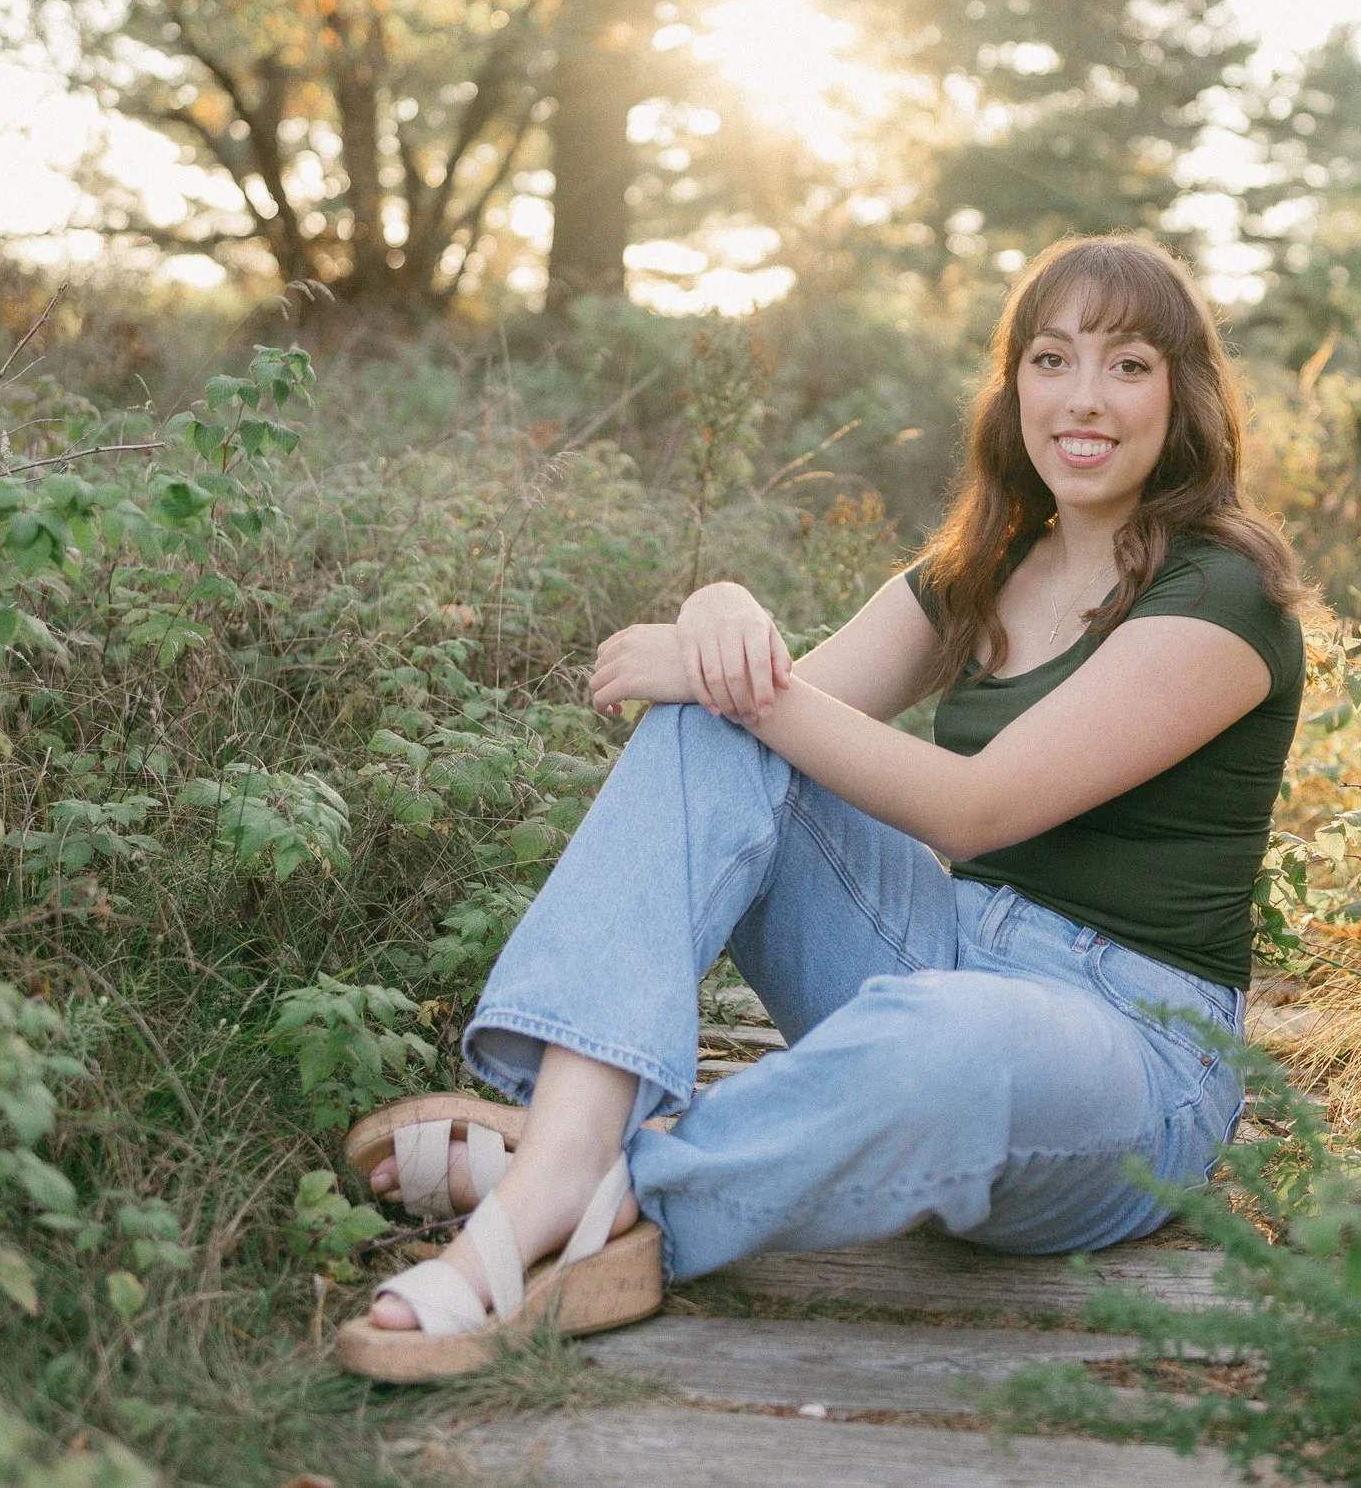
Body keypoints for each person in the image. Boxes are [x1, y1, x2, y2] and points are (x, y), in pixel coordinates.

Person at [334, 234, 1311, 1381]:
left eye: (1127, 364)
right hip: (947, 949)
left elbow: (973, 810)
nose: (1083, 398)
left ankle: (606, 1186)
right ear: (1013, 390)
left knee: (946, 1037)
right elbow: (769, 719)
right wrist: (719, 610)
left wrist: (729, 670)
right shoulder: (987, 565)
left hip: (1127, 1054)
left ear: (1182, 395)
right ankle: (565, 1160)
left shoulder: (1225, 593)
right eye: (1051, 359)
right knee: (714, 726)